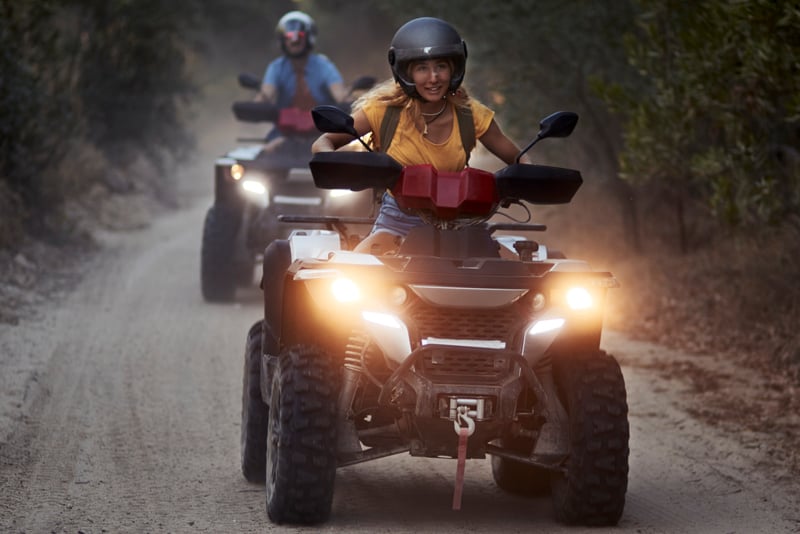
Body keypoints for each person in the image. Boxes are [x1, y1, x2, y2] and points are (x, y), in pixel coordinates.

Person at [311, 16, 532, 255]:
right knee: (354, 275)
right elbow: (324, 142)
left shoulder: (472, 115)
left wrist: (529, 177)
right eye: (422, 68)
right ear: (405, 72)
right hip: (398, 221)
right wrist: (341, 167)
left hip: (464, 223)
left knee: (517, 281)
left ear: (454, 68)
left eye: (441, 66)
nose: (433, 77)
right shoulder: (383, 111)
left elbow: (518, 158)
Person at [255, 10, 348, 143]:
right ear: (282, 40)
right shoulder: (276, 68)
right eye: (289, 36)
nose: (294, 40)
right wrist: (258, 100)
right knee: (268, 152)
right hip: (284, 133)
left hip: (322, 131)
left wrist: (350, 98)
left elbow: (340, 95)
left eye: (299, 35)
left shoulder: (324, 66)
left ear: (309, 38)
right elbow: (266, 95)